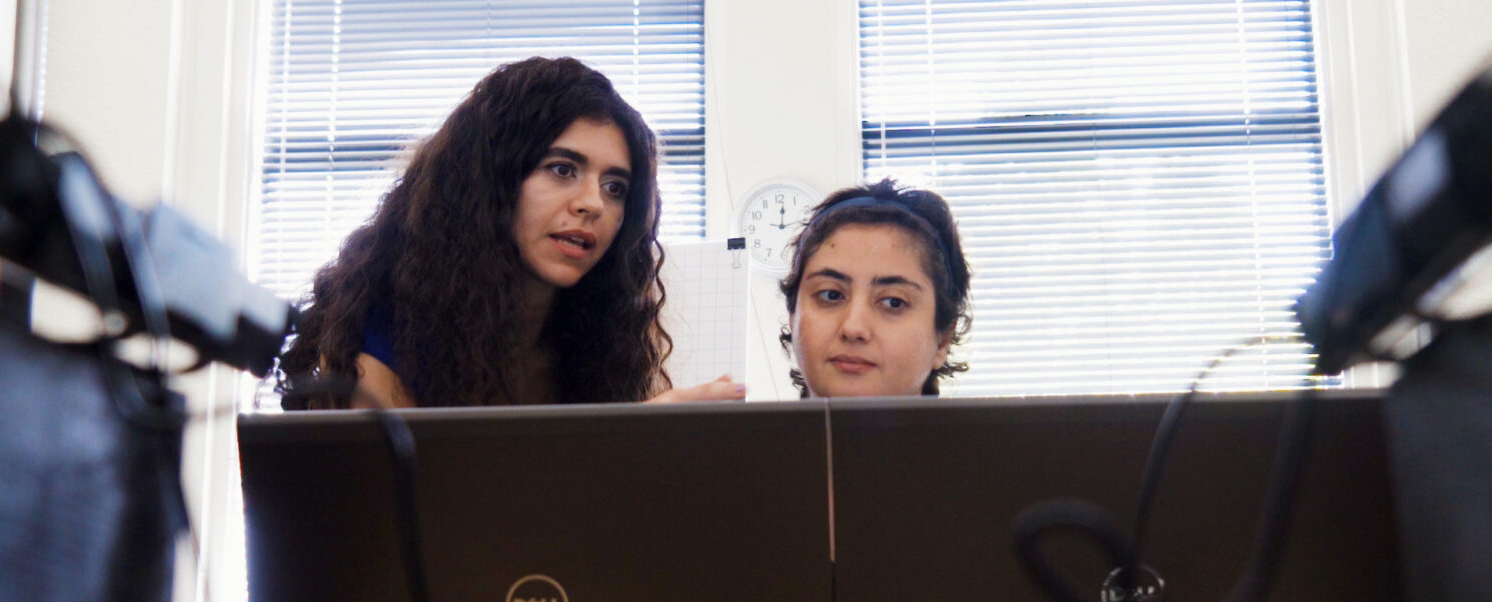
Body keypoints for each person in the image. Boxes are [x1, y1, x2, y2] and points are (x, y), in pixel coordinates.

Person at [275, 57, 742, 409]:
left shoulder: (601, 344)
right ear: (489, 184)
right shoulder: (381, 337)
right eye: (562, 169)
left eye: (615, 187)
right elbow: (413, 520)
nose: (593, 203)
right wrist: (622, 444)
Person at [778, 179, 971, 397]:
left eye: (893, 302)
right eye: (831, 295)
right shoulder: (739, 432)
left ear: (943, 340)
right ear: (793, 318)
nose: (853, 328)